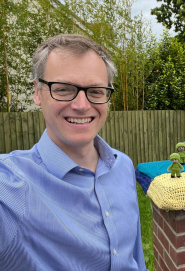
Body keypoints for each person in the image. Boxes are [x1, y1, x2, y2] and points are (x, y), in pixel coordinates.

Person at [0, 34, 148, 270]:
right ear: (38, 92)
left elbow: (136, 257)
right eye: (64, 89)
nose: (81, 105)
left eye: (96, 91)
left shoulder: (123, 166)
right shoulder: (10, 187)